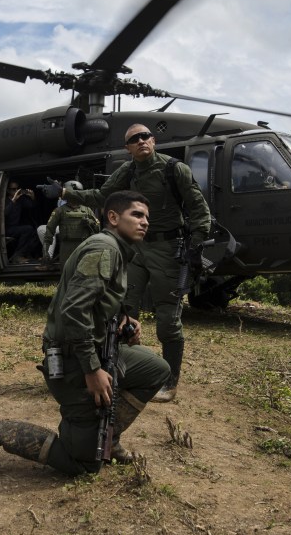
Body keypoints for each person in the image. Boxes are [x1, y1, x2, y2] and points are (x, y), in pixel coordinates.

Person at [0, 190, 170, 476]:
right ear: (112, 217)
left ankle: (108, 439)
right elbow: (74, 311)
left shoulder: (116, 249)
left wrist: (125, 320)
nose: (145, 222)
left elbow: (96, 302)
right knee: (84, 464)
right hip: (73, 360)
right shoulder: (105, 249)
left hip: (95, 349)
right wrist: (92, 370)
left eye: (147, 217)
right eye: (137, 215)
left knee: (156, 370)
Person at [43, 124, 211, 402]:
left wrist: (197, 244)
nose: (141, 141)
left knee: (168, 318)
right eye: (134, 139)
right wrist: (64, 193)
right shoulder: (128, 171)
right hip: (136, 249)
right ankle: (116, 370)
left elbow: (198, 206)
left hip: (168, 247)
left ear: (153, 141)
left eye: (145, 136)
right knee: (122, 311)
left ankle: (169, 383)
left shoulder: (174, 169)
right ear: (128, 148)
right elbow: (100, 196)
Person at [41, 180, 101, 265]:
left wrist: (90, 222)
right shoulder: (60, 211)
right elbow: (49, 231)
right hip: (66, 247)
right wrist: (45, 252)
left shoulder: (87, 210)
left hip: (83, 246)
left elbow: (98, 228)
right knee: (67, 274)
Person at [5, 180, 42, 263]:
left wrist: (32, 197)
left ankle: (28, 254)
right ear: (8, 190)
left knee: (35, 230)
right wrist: (13, 200)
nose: (16, 191)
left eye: (18, 189)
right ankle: (17, 256)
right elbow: (5, 213)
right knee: (27, 229)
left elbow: (32, 206)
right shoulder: (4, 201)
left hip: (16, 227)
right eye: (13, 189)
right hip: (6, 229)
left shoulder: (20, 200)